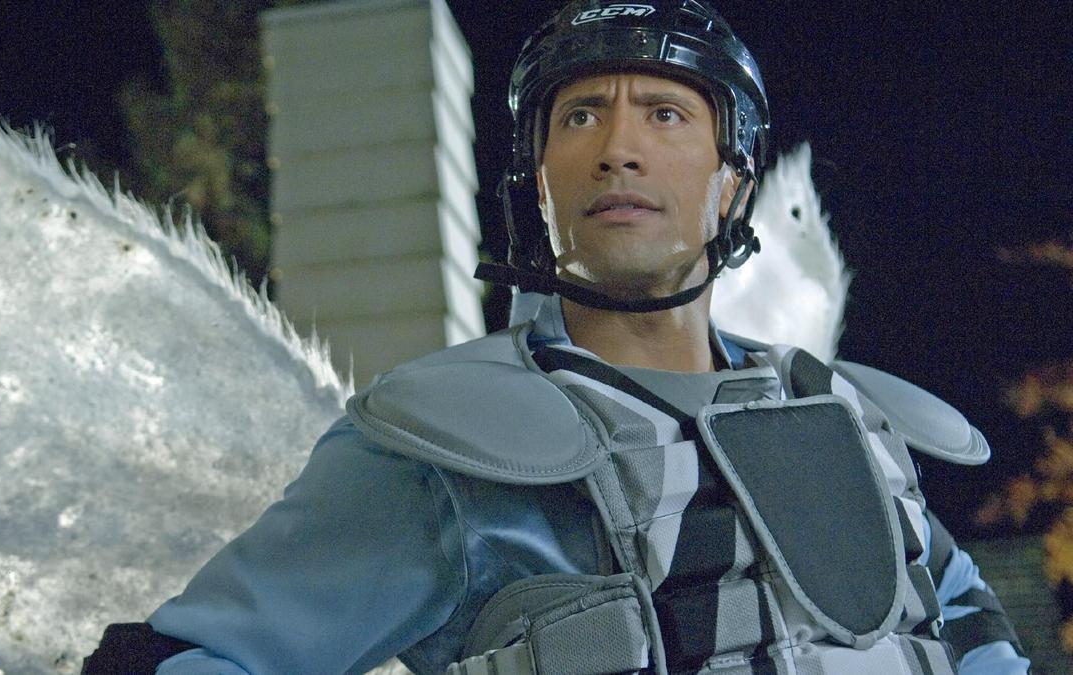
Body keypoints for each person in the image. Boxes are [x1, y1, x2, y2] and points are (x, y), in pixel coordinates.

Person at [84, 1, 1028, 673]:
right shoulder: (448, 442)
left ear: (732, 183)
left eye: (665, 113)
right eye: (580, 115)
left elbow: (967, 631)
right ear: (538, 183)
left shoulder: (851, 416)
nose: (618, 148)